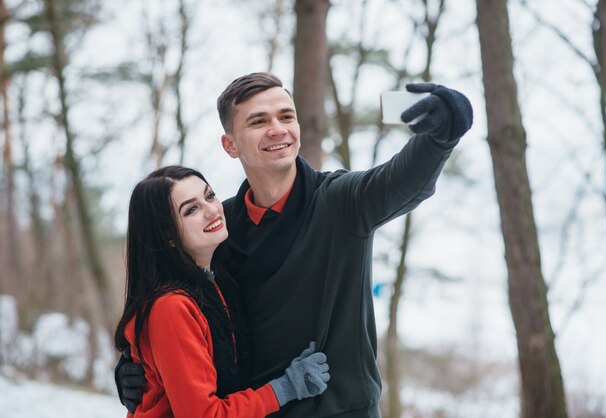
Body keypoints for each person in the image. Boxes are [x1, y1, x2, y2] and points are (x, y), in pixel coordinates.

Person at [117, 73, 473, 417]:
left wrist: (441, 136)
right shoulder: (220, 225)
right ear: (231, 144)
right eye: (258, 121)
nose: (277, 128)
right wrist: (138, 366)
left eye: (286, 116)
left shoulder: (341, 202)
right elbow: (172, 296)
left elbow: (403, 182)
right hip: (256, 411)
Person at [114, 165, 330, 417]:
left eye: (209, 195)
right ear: (167, 235)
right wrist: (285, 387)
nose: (212, 210)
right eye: (191, 209)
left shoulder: (217, 281)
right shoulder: (171, 307)